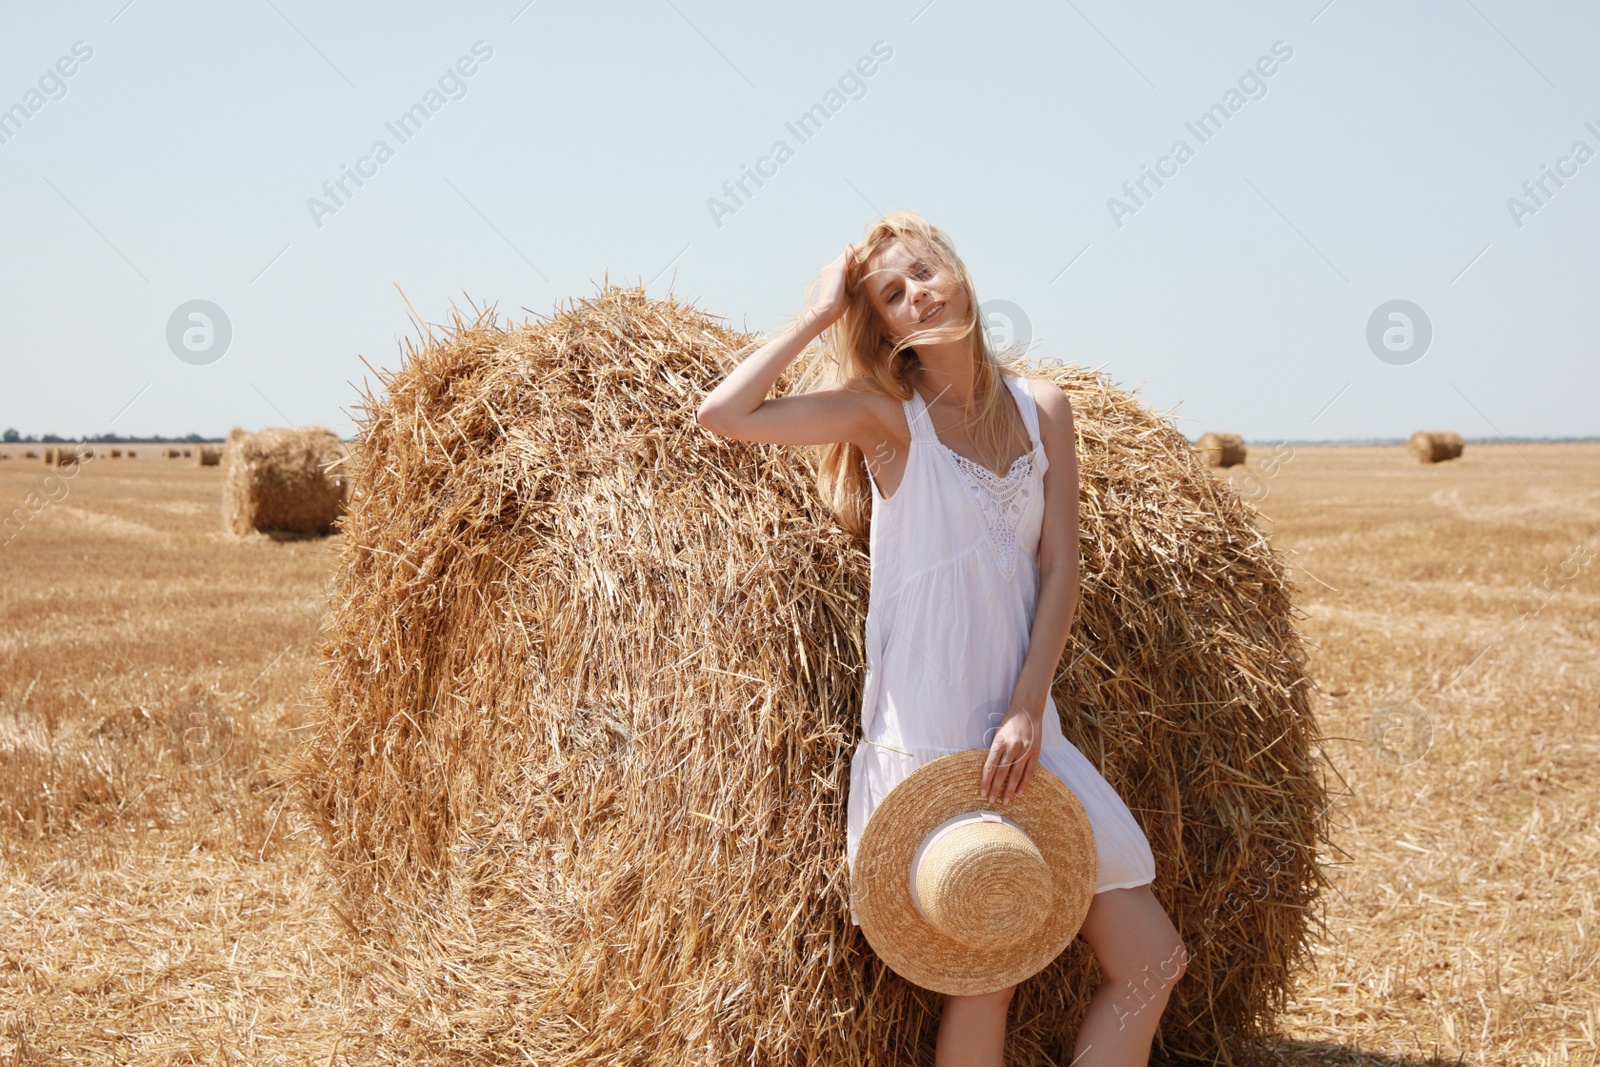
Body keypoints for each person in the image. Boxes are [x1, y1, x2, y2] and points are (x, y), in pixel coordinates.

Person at [696, 211, 1188, 1067]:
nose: (916, 293)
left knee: (1152, 959)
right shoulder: (887, 418)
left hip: (1024, 732)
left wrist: (1029, 710)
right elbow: (722, 413)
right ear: (883, 324)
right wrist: (819, 314)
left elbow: (1061, 566)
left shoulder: (1043, 410)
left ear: (956, 271)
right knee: (984, 977)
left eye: (923, 272)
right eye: (890, 293)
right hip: (930, 738)